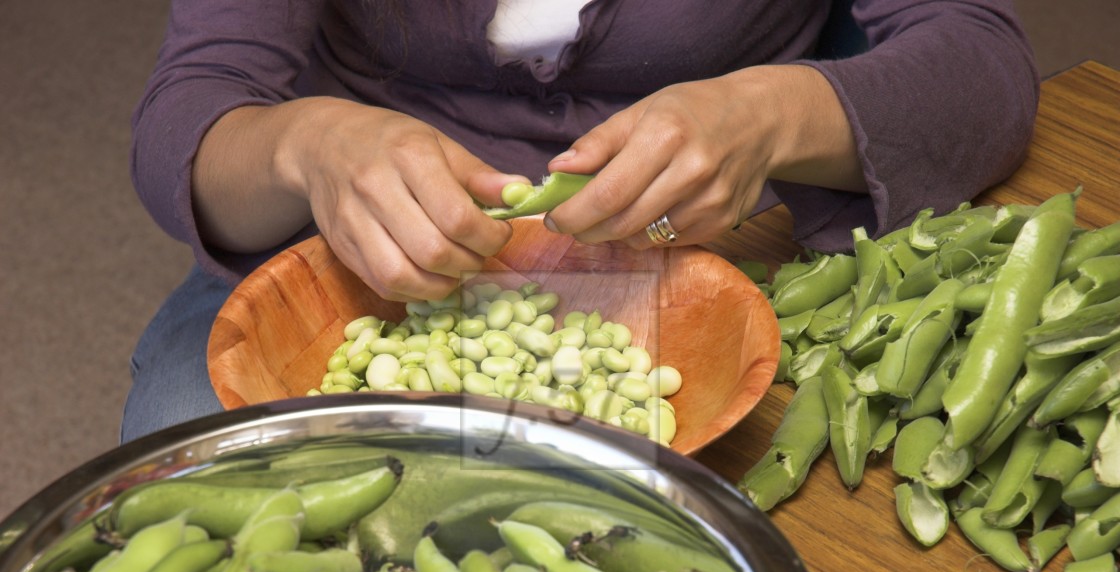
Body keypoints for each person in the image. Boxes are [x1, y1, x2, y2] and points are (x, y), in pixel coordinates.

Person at [122, 0, 1039, 442]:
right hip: (356, 271)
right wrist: (307, 145)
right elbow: (189, 115)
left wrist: (767, 117)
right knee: (195, 489)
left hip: (699, 271)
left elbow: (983, 65)